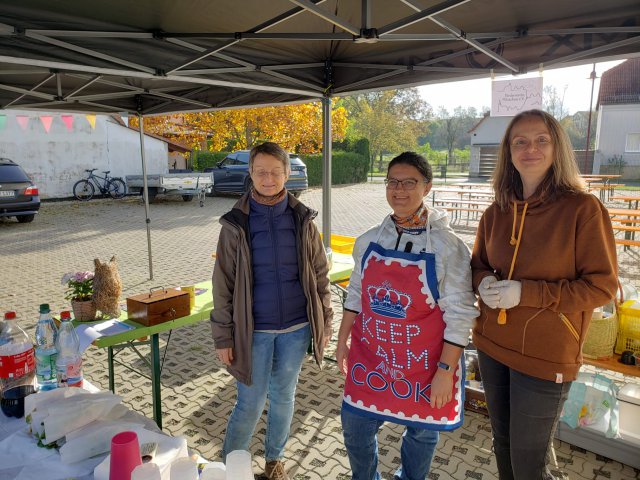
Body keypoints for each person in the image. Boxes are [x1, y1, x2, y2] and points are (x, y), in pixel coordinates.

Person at [471, 109, 618, 480]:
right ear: (508, 151)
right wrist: (483, 282)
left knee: (529, 462)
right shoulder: (495, 212)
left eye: (541, 140)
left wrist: (527, 293)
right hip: (492, 345)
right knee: (502, 444)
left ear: (557, 148)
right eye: (519, 141)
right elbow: (476, 265)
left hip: (546, 354)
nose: (529, 148)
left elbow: (601, 286)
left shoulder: (583, 210)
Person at [336, 151, 478, 480]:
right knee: (355, 427)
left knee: (422, 432)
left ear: (426, 187)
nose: (399, 189)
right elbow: (356, 294)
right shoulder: (369, 240)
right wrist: (342, 342)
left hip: (426, 364)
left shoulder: (448, 246)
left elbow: (460, 314)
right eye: (392, 182)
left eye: (409, 182)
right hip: (370, 358)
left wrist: (445, 370)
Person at [210, 141, 333, 480]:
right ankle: (229, 467)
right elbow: (222, 284)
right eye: (261, 172)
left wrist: (325, 317)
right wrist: (223, 336)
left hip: (296, 328)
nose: (268, 179)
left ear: (287, 174)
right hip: (255, 331)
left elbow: (320, 273)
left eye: (275, 172)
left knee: (283, 397)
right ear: (250, 173)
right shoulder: (235, 223)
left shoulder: (302, 219)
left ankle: (274, 459)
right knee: (249, 402)